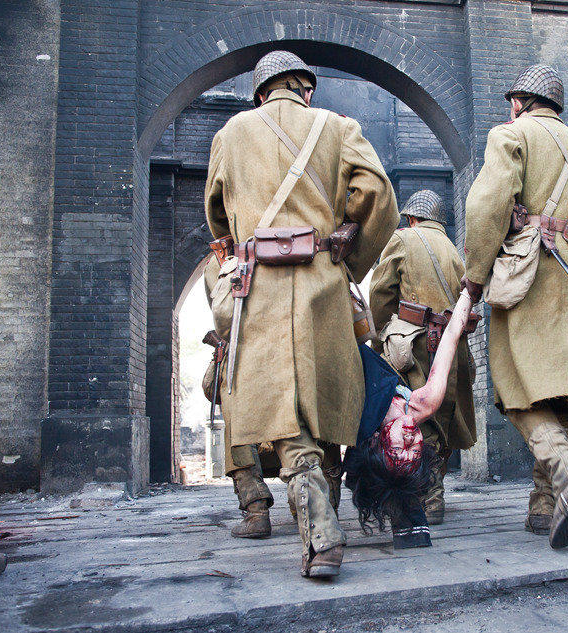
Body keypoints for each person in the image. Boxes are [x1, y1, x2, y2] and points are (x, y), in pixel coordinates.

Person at [203, 50, 399, 577]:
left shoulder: (233, 132)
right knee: (323, 398)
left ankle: (321, 533)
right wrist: (348, 257)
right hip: (322, 283)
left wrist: (242, 237)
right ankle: (324, 518)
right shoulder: (339, 126)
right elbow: (377, 194)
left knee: (279, 403)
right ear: (306, 90)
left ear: (262, 93)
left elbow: (217, 213)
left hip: (258, 285)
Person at [461, 64, 568, 549]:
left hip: (534, 272)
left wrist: (475, 273)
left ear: (519, 102)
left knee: (517, 385)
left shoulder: (511, 135)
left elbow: (486, 206)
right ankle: (545, 505)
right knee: (560, 388)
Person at [369, 190, 476, 524]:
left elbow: (379, 293)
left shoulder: (403, 240)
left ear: (412, 218)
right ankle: (433, 486)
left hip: (412, 345)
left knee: (414, 415)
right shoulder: (454, 251)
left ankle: (429, 497)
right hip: (451, 345)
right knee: (442, 417)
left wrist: (385, 332)